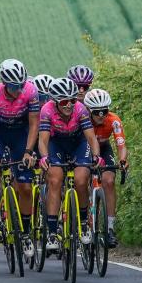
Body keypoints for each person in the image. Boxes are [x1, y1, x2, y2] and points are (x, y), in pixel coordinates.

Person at [0, 59, 40, 256]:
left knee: (25, 187)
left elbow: (34, 125)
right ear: (5, 83)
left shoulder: (31, 91)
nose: (19, 89)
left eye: (21, 84)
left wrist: (29, 152)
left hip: (20, 134)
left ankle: (26, 233)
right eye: (15, 86)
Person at [37, 77, 101, 253]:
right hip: (56, 143)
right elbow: (43, 140)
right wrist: (43, 157)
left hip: (78, 144)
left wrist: (96, 156)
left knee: (81, 180)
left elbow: (91, 138)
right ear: (55, 101)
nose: (69, 105)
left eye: (72, 100)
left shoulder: (80, 110)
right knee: (55, 180)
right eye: (64, 101)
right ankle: (51, 232)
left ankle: (83, 224)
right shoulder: (46, 110)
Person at [84, 88, 128, 248]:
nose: (101, 115)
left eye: (104, 111)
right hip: (85, 147)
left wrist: (123, 160)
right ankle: (84, 220)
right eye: (97, 112)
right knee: (82, 179)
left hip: (104, 148)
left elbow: (121, 144)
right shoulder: (83, 119)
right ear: (89, 110)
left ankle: (109, 228)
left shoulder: (114, 120)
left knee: (109, 181)